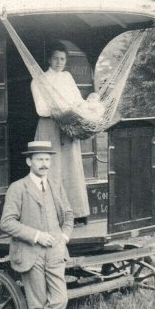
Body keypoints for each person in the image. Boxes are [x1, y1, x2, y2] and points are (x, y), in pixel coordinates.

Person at [0, 141, 75, 309]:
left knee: (60, 299)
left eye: (47, 159)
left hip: (54, 252)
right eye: (40, 159)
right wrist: (36, 236)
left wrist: (64, 237)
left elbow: (69, 215)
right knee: (38, 304)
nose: (44, 164)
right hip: (29, 252)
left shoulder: (55, 185)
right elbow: (7, 223)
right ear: (29, 161)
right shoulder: (18, 188)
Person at [30, 43, 91, 217]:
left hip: (69, 127)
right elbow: (42, 109)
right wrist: (66, 109)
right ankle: (50, 213)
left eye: (62, 58)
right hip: (49, 128)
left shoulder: (68, 77)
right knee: (51, 168)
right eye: (55, 58)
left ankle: (74, 212)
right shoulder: (39, 80)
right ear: (49, 59)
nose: (59, 62)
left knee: (71, 168)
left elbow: (78, 101)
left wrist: (88, 109)